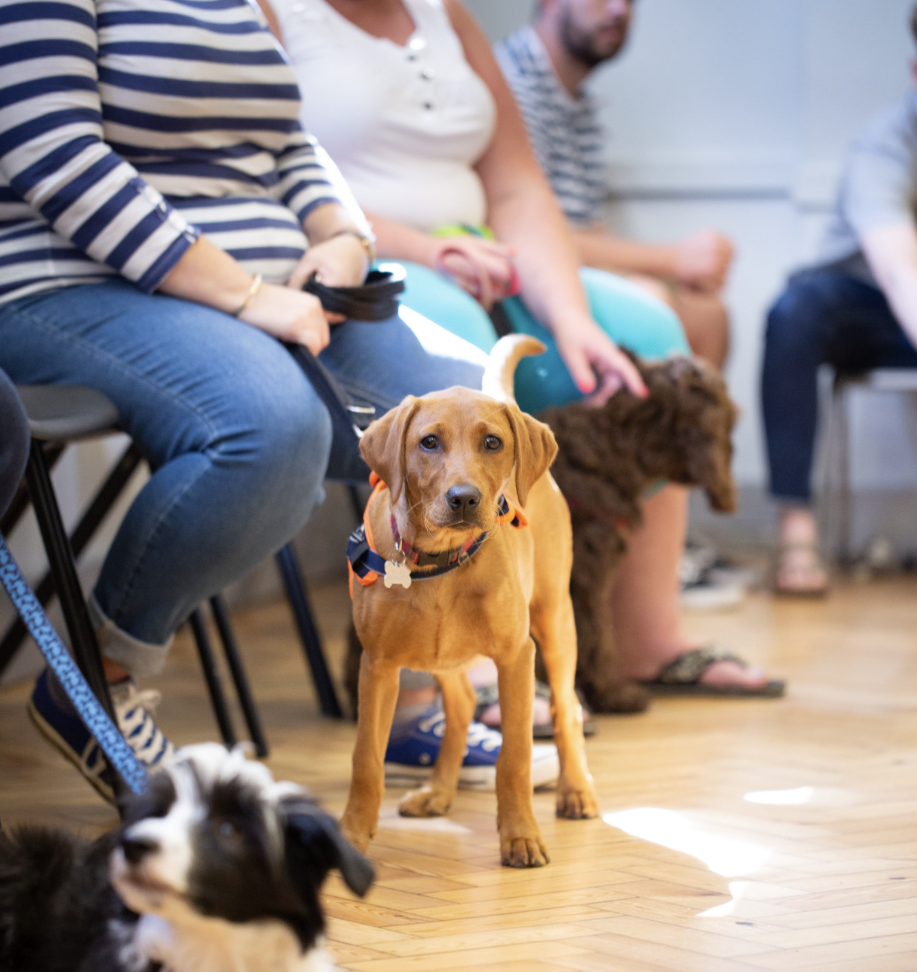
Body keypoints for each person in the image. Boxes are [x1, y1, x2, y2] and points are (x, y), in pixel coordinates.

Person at [0, 0, 547, 799]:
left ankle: (442, 663)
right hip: (74, 285)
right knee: (271, 431)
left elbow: (289, 139)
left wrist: (341, 238)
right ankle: (96, 679)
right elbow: (52, 153)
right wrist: (243, 292)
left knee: (472, 406)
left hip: (280, 283)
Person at [270, 0, 777, 716]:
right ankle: (464, 663)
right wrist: (426, 248)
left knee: (653, 338)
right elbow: (274, 178)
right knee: (463, 374)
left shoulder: (445, 14)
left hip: (487, 249)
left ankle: (643, 636)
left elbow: (516, 185)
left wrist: (572, 320)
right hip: (363, 264)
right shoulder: (273, 14)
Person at [762, 6, 917, 595]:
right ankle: (795, 528)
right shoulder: (886, 145)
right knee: (794, 313)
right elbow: (902, 275)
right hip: (871, 305)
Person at [496, 0, 734, 369]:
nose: (618, 10)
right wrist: (674, 261)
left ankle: (692, 428)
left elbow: (589, 234)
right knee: (652, 304)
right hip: (517, 279)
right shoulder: (511, 85)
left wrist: (676, 269)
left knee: (708, 316)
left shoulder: (579, 103)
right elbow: (523, 232)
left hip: (563, 267)